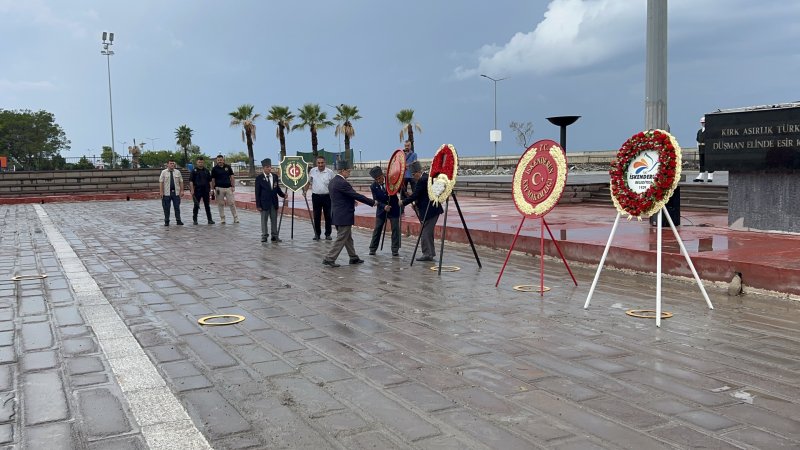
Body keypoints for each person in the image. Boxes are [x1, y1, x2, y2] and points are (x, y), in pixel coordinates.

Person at [322, 160, 382, 268]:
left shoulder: (333, 181)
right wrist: (372, 202)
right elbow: (355, 194)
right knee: (342, 238)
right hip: (344, 215)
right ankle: (329, 258)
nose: (349, 173)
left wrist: (351, 200)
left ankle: (353, 257)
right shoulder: (342, 183)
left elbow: (340, 197)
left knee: (348, 238)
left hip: (337, 214)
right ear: (343, 170)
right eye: (348, 171)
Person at [402, 161, 443, 262]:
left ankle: (427, 254)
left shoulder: (422, 180)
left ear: (418, 172)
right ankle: (430, 253)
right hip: (431, 209)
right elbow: (423, 195)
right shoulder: (426, 178)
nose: (413, 177)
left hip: (430, 211)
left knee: (425, 233)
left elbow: (416, 195)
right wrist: (416, 203)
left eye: (413, 174)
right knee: (428, 233)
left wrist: (403, 202)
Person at [368, 166, 400, 257]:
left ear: (383, 175)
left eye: (380, 178)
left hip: (393, 208)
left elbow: (399, 189)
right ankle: (372, 248)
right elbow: (376, 200)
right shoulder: (373, 186)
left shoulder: (391, 180)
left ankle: (395, 249)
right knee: (377, 228)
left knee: (395, 229)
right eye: (376, 179)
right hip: (381, 210)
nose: (379, 181)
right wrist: (384, 206)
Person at [255, 158, 286, 242]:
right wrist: (258, 205)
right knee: (264, 220)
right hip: (264, 203)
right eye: (267, 167)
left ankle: (274, 236)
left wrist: (283, 195)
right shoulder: (259, 178)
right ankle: (264, 236)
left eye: (270, 167)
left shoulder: (274, 177)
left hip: (273, 202)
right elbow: (257, 193)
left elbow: (277, 188)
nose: (269, 168)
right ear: (263, 168)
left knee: (274, 219)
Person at [304, 156, 334, 240]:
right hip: (316, 197)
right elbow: (308, 182)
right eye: (319, 163)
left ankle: (328, 234)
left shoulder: (330, 172)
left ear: (325, 163)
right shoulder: (312, 171)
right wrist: (305, 191)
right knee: (316, 216)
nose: (320, 164)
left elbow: (334, 185)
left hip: (327, 196)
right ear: (316, 163)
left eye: (322, 163)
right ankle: (317, 234)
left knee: (328, 216)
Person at [210, 154, 239, 224]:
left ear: (223, 160)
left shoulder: (228, 167)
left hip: (228, 188)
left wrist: (233, 186)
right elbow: (212, 180)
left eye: (221, 160)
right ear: (216, 161)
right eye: (218, 160)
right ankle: (222, 219)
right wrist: (212, 189)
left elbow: (232, 177)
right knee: (220, 204)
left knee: (232, 203)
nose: (220, 161)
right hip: (219, 189)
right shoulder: (214, 169)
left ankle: (236, 218)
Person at [189, 156, 215, 225]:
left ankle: (210, 220)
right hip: (197, 190)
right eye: (199, 162)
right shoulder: (194, 171)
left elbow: (210, 181)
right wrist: (192, 190)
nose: (200, 163)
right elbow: (191, 181)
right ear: (197, 162)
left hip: (206, 190)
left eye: (202, 162)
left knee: (207, 205)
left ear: (203, 162)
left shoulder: (206, 170)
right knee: (196, 205)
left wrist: (211, 189)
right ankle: (195, 220)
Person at [159, 160, 184, 226]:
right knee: (166, 208)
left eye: (173, 163)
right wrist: (161, 192)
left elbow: (181, 181)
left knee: (177, 207)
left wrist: (182, 191)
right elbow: (161, 182)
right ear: (167, 164)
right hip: (166, 193)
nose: (172, 164)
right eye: (171, 163)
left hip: (176, 193)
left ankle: (178, 220)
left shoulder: (178, 172)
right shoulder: (164, 172)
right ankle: (166, 221)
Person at [694, 116, 714, 182]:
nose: (703, 123)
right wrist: (698, 148)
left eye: (704, 122)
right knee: (701, 162)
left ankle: (710, 176)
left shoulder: (710, 131)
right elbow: (698, 140)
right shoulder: (699, 131)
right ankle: (701, 176)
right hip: (701, 148)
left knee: (709, 162)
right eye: (702, 122)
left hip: (708, 148)